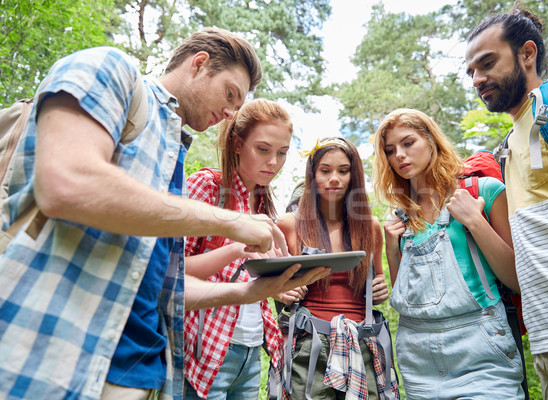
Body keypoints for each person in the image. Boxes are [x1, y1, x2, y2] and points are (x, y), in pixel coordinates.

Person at [0, 28, 326, 400]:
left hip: (137, 368)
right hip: (51, 348)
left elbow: (165, 286)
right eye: (230, 94)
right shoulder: (111, 67)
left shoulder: (174, 154)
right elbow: (66, 183)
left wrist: (248, 291)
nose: (229, 113)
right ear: (199, 64)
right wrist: (231, 223)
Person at [465, 6, 548, 399]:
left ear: (527, 53)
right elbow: (521, 270)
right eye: (471, 71)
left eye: (487, 63)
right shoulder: (506, 148)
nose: (477, 79)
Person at [372, 108, 524, 399]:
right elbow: (407, 299)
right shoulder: (402, 218)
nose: (400, 155)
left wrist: (475, 221)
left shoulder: (485, 191)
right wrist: (392, 250)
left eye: (408, 143)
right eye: (390, 150)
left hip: (481, 352)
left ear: (431, 141)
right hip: (418, 360)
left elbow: (517, 279)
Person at [183, 98, 308, 399]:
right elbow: (171, 269)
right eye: (263, 149)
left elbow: (247, 278)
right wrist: (236, 248)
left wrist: (277, 288)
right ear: (237, 144)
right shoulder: (208, 186)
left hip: (251, 352)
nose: (273, 162)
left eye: (282, 153)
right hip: (204, 350)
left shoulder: (265, 203)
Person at [276, 136, 401, 400]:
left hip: (363, 343)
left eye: (343, 171)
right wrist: (281, 291)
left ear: (353, 177)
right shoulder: (290, 224)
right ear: (312, 175)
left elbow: (376, 281)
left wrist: (379, 288)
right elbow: (272, 285)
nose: (335, 178)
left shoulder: (370, 228)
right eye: (325, 171)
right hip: (308, 345)